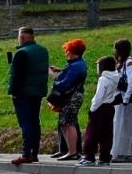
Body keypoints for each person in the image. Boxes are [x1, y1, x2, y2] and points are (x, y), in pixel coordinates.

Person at [8, 26, 50, 166]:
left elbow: (17, 76)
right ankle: (34, 153)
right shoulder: (43, 51)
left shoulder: (22, 53)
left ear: (22, 37)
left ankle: (26, 153)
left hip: (23, 93)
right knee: (35, 122)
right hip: (37, 92)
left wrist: (13, 92)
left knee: (25, 123)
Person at [47, 38, 88, 161]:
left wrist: (54, 77)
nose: (66, 53)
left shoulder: (76, 66)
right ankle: (70, 150)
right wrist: (60, 71)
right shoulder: (78, 64)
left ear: (72, 51)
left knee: (68, 123)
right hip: (74, 96)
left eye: (67, 50)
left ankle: (72, 151)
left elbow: (66, 83)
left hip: (71, 98)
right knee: (66, 122)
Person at [81, 55, 120, 167]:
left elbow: (99, 96)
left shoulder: (103, 79)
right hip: (110, 106)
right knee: (106, 134)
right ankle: (104, 157)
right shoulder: (115, 77)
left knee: (92, 132)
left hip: (100, 108)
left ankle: (89, 157)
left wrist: (92, 109)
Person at [113, 39, 132, 162]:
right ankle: (121, 151)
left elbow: (131, 82)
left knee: (127, 126)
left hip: (127, 100)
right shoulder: (120, 63)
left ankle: (126, 152)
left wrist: (126, 99)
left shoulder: (129, 63)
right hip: (120, 99)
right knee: (120, 125)